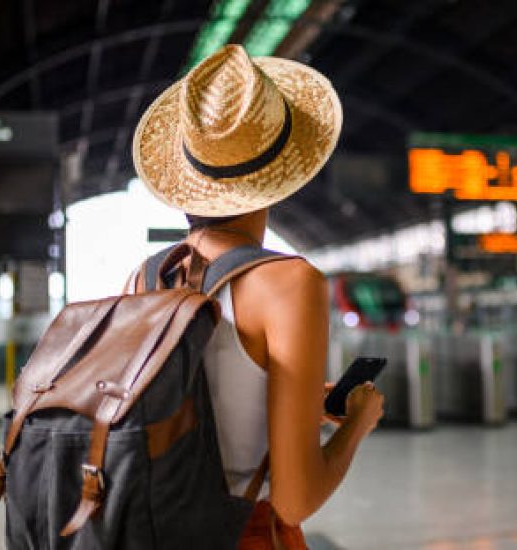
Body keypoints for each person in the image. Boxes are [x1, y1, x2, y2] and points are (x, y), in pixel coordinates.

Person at [131, 44, 385, 548]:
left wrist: (303, 404)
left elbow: (190, 410)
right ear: (279, 180)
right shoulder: (290, 283)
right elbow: (294, 500)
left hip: (153, 532)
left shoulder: (144, 277)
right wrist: (356, 424)